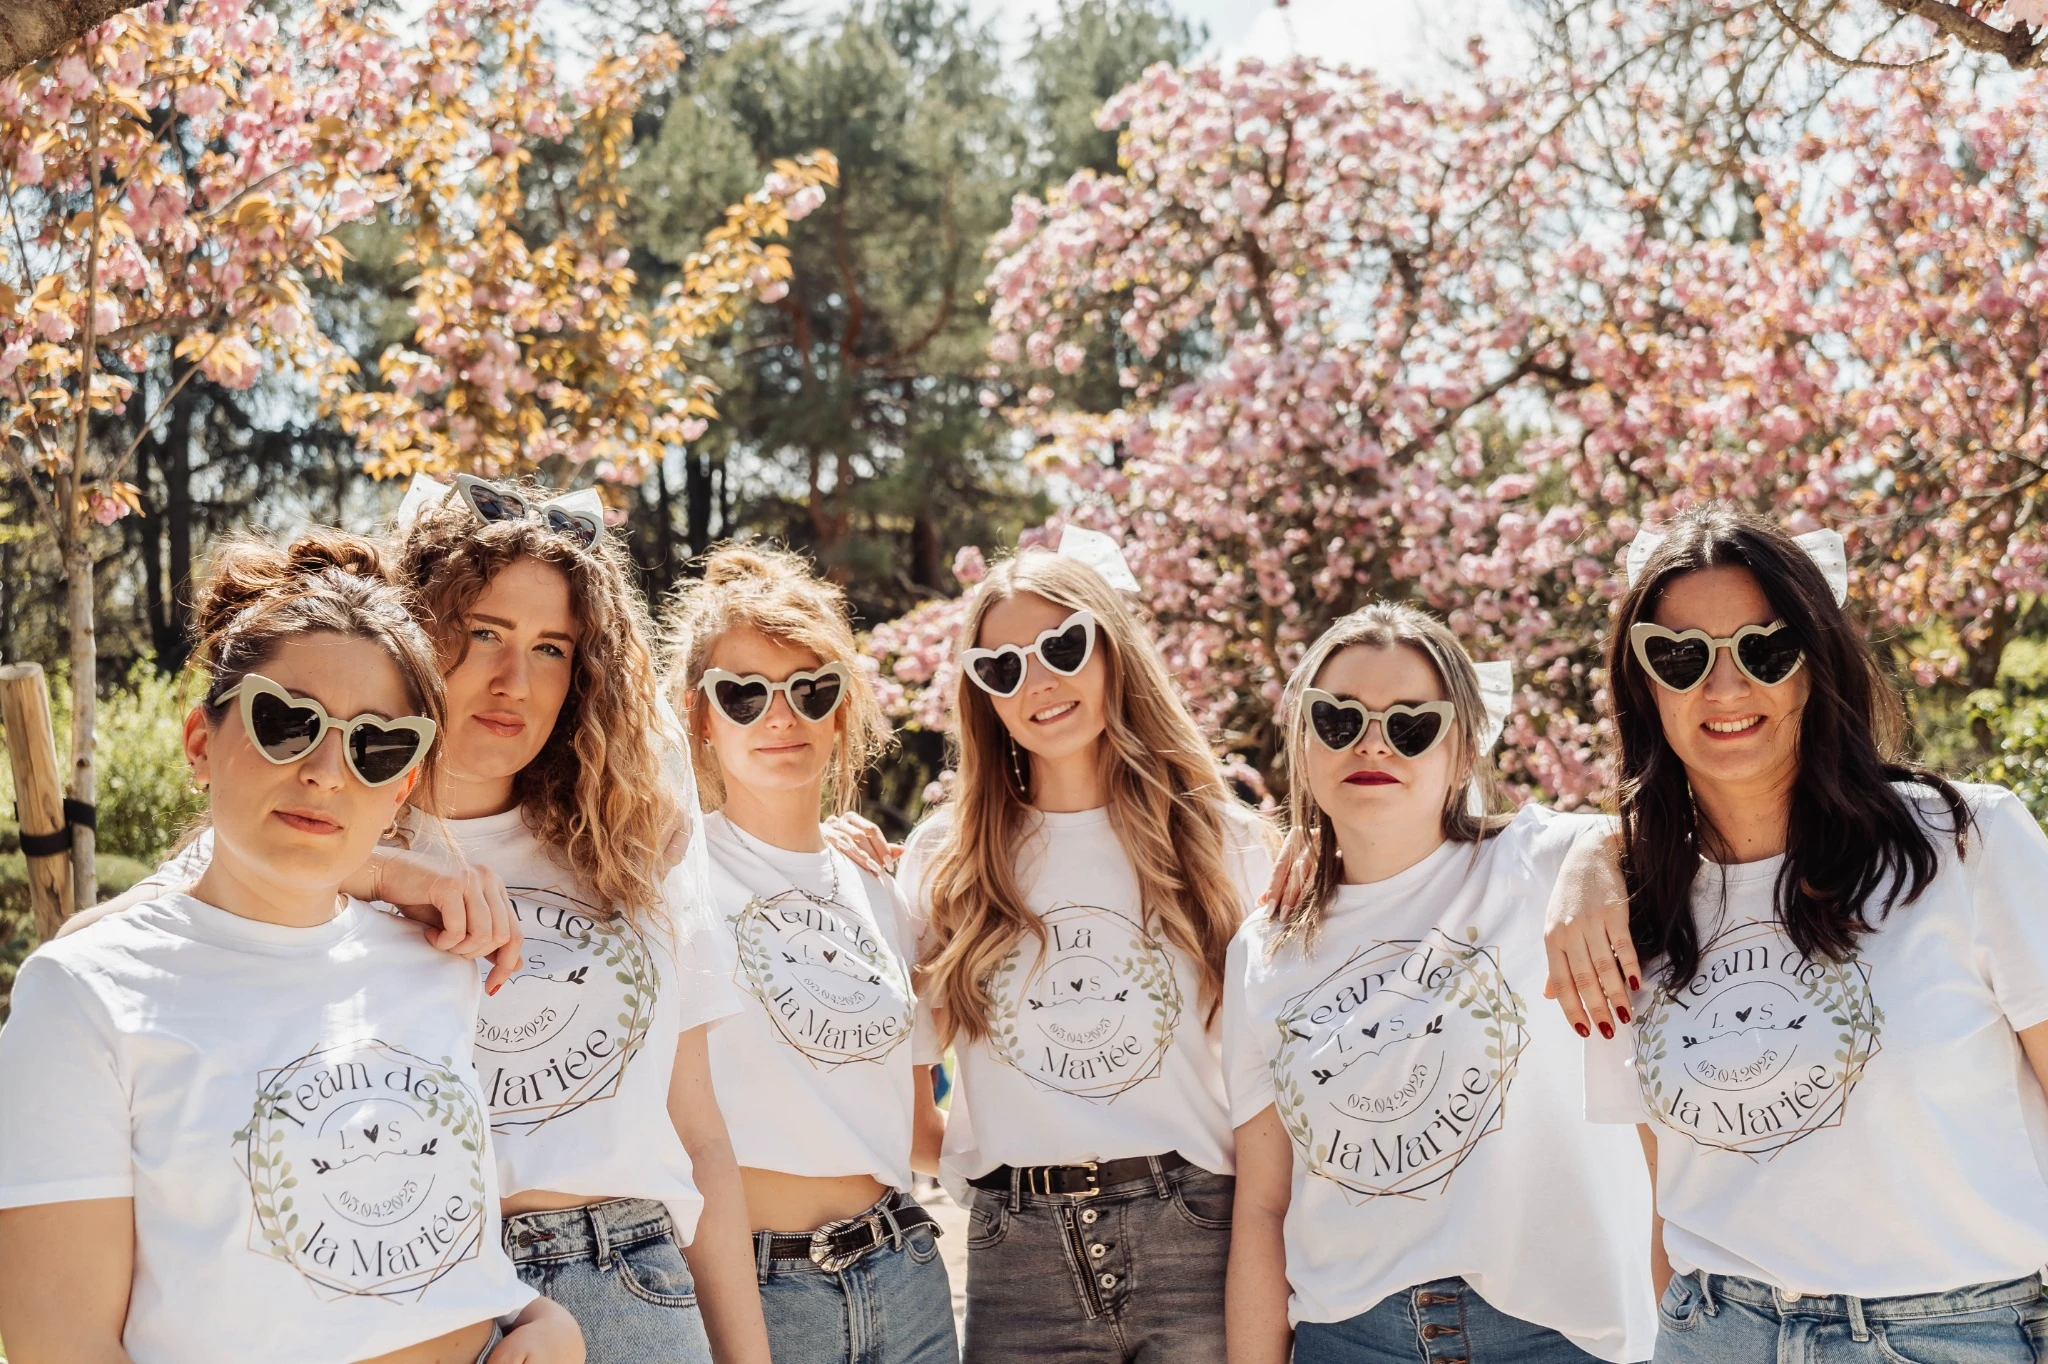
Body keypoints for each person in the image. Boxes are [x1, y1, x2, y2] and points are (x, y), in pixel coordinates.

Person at [97, 476, 772, 1364]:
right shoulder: (310, 827)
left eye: (552, 649)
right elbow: (102, 957)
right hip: (423, 1302)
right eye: (483, 633)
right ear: (419, 631)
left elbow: (700, 1135)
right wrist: (377, 868)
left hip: (635, 1285)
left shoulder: (633, 842)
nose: (512, 681)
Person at [0, 531, 581, 1364]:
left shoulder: (435, 964)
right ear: (201, 742)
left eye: (377, 744)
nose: (327, 770)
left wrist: (530, 1314)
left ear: (404, 784)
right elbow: (61, 1340)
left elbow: (401, 1229)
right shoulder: (86, 994)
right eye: (287, 722)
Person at [1545, 507, 2048, 1360]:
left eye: (1764, 649)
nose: (1725, 687)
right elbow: (1669, 1184)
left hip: (1958, 1333)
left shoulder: (1968, 844)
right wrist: (1599, 852)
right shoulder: (1629, 910)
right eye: (1681, 656)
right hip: (1717, 1331)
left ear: (1816, 662)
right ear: (1644, 685)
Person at [1222, 604, 1655, 1364]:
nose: (1373, 743)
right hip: (1350, 1339)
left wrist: (1600, 852)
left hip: (1563, 1339)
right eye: (1338, 719)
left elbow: (1704, 817)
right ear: (1304, 742)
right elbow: (1264, 1204)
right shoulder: (1264, 948)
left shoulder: (1542, 865)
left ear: (1461, 753)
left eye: (1411, 725)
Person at [897, 539, 1274, 1364]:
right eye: (1001, 668)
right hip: (1015, 1260)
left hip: (1199, 1238)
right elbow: (893, 1089)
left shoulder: (1224, 844)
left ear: (1112, 648)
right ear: (981, 695)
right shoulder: (943, 861)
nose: (1037, 682)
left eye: (1062, 646)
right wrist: (978, 1159)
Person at [663, 543, 956, 1364]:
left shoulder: (883, 892)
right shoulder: (665, 873)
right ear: (699, 714)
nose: (779, 717)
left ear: (842, 706)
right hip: (755, 1293)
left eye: (810, 689)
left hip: (907, 1276)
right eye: (744, 694)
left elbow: (920, 1129)